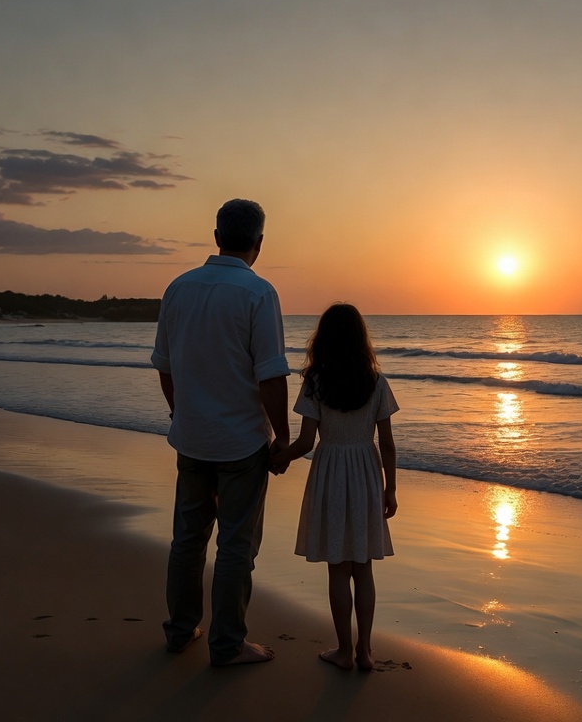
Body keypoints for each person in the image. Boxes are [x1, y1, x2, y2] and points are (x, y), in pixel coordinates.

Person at [151, 198, 290, 666]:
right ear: (259, 243)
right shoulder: (258, 293)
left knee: (187, 539)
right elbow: (270, 375)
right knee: (235, 546)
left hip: (192, 437)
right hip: (241, 442)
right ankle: (227, 644)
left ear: (215, 237)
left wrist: (181, 413)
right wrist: (283, 438)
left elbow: (165, 367)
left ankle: (180, 628)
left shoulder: (179, 288)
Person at [272, 303, 398, 671]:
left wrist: (277, 459)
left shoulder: (316, 382)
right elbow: (387, 443)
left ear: (323, 339)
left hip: (330, 471)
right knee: (364, 568)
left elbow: (306, 442)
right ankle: (366, 651)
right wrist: (391, 489)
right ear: (362, 340)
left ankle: (344, 650)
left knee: (338, 568)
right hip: (366, 472)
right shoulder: (376, 382)